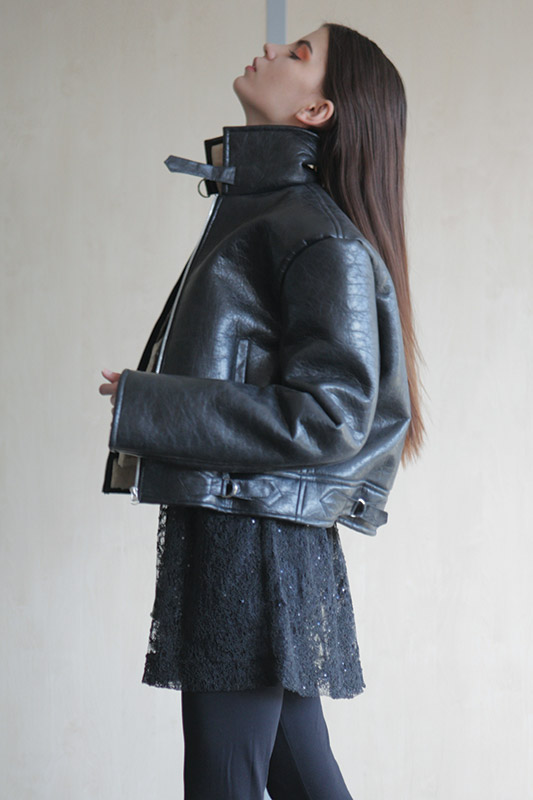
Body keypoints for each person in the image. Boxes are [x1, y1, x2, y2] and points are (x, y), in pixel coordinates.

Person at [99, 21, 425, 800]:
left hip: (252, 535)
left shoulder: (310, 232)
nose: (273, 51)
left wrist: (154, 405)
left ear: (316, 112)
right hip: (249, 526)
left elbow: (329, 416)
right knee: (295, 770)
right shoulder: (269, 214)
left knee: (226, 778)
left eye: (298, 54)